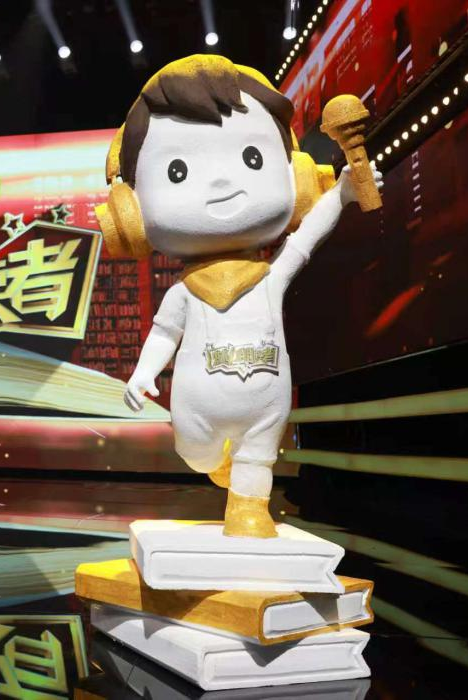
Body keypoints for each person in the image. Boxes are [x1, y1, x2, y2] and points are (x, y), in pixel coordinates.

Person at [99, 55, 383, 538]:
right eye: (177, 170)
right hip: (195, 405)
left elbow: (305, 237)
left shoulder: (270, 276)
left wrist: (341, 193)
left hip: (266, 398)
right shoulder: (186, 292)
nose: (221, 182)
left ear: (297, 179)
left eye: (253, 158)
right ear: (130, 214)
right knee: (194, 451)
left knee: (258, 452)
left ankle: (250, 509)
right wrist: (145, 371)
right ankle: (216, 465)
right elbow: (164, 332)